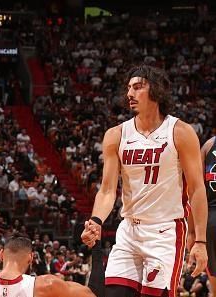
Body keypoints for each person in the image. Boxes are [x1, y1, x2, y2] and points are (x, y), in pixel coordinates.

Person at [81, 65, 208, 297]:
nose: (130, 93)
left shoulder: (180, 132)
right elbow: (107, 190)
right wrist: (96, 220)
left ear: (157, 91)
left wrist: (199, 240)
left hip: (165, 231)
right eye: (128, 88)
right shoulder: (116, 135)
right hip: (129, 229)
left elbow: (197, 189)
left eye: (138, 87)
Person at [200, 136, 216, 296]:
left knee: (213, 272)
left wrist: (193, 232)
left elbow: (195, 189)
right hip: (210, 214)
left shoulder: (208, 146)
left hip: (210, 218)